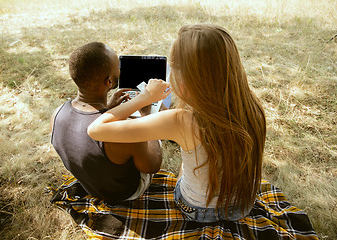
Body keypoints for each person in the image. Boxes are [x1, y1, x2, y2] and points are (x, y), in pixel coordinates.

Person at [87, 24, 266, 222]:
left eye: (173, 67)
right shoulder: (252, 107)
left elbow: (96, 129)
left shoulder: (181, 121)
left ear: (189, 78)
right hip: (243, 206)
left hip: (196, 209)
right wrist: (156, 114)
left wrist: (144, 98)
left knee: (185, 161)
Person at [51, 42, 162, 203]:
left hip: (92, 185)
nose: (120, 70)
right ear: (109, 82)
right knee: (156, 128)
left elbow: (85, 135)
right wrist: (146, 117)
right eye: (118, 67)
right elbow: (153, 166)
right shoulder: (125, 129)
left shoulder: (57, 114)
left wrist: (108, 109)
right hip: (124, 193)